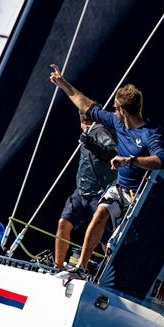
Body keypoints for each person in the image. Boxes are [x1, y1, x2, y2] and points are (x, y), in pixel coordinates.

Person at [49, 64, 164, 277]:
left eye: (115, 108)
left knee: (120, 242)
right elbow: (86, 104)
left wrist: (130, 160)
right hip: (119, 188)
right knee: (99, 216)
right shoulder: (118, 122)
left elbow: (161, 160)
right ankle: (80, 269)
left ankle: (121, 276)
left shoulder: (152, 133)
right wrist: (63, 84)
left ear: (123, 110)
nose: (114, 111)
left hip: (138, 195)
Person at [54, 111, 117, 269]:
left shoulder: (100, 131)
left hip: (99, 194)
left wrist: (89, 142)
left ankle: (110, 272)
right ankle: (58, 266)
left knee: (105, 237)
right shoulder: (88, 133)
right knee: (64, 223)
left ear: (81, 120)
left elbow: (111, 152)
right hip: (81, 192)